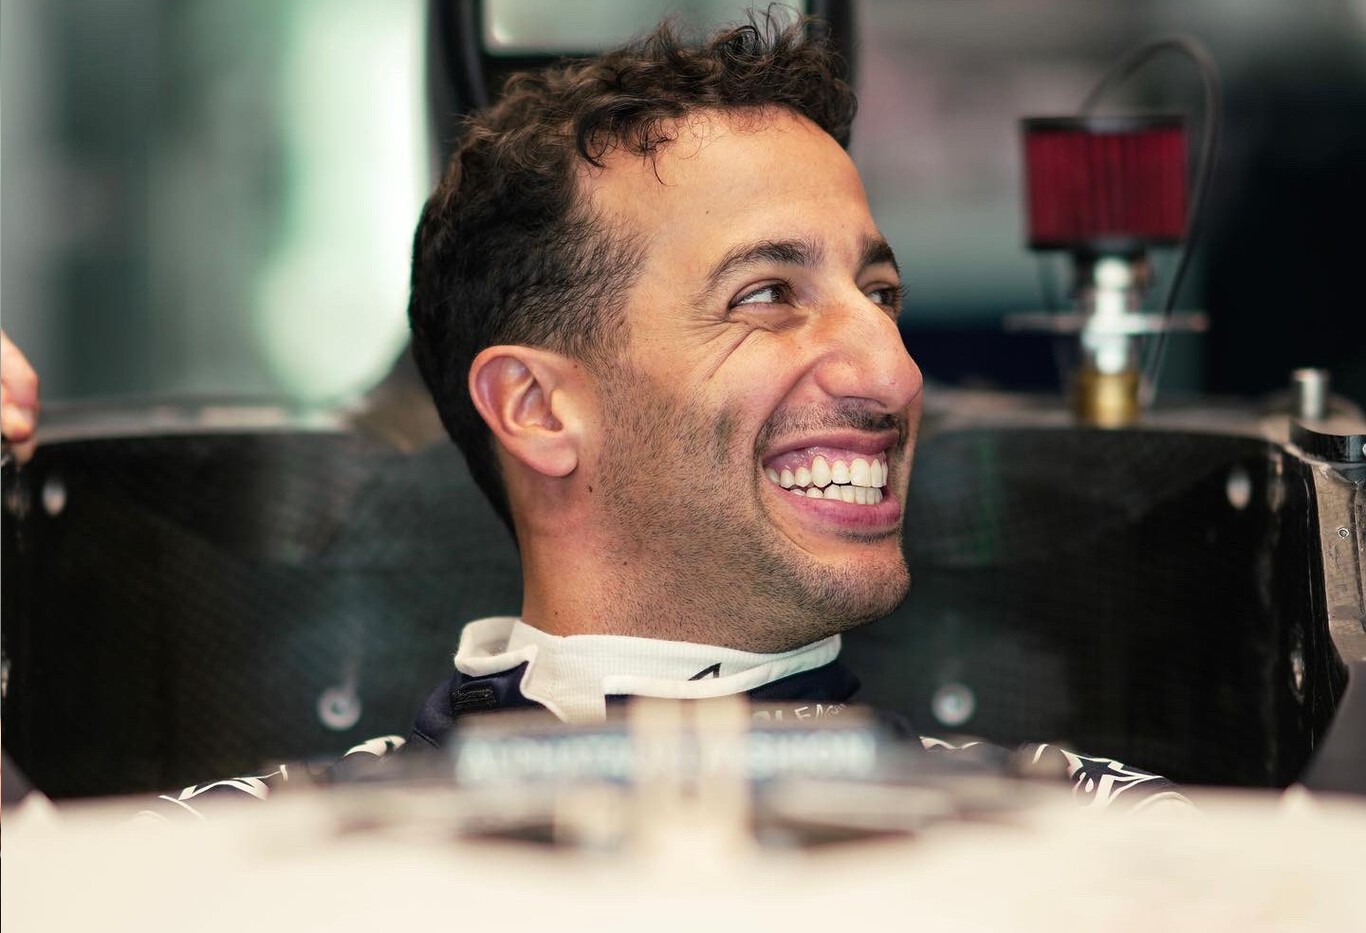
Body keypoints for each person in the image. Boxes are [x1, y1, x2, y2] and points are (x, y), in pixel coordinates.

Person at [13, 13, 1190, 818]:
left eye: (878, 295)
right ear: (535, 408)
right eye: (766, 296)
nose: (891, 370)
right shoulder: (241, 867)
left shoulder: (1101, 840)